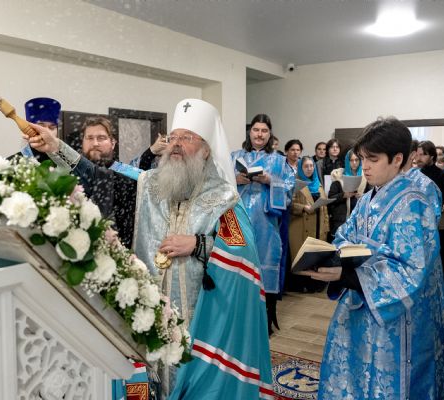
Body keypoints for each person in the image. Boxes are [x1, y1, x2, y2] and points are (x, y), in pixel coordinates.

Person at [301, 117, 444, 399]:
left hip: (395, 317)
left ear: (397, 159)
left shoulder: (414, 202)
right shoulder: (369, 199)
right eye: (362, 158)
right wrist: (332, 257)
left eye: (373, 159)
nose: (365, 166)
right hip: (361, 303)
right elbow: (344, 235)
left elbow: (412, 270)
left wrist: (349, 274)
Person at [134, 99, 272, 399]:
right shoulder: (149, 186)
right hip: (151, 313)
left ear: (206, 150)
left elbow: (242, 252)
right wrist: (56, 150)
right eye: (173, 137)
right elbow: (101, 176)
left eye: (187, 138)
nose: (176, 144)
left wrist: (198, 244)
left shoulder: (222, 198)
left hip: (200, 319)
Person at [22, 99, 138, 248]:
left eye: (101, 138)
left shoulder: (127, 176)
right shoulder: (65, 169)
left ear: (113, 142)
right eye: (89, 138)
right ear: (82, 142)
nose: (95, 143)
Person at [231, 114, 295, 335]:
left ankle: (264, 321)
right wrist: (234, 180)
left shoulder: (279, 161)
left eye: (264, 131)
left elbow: (290, 190)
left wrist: (271, 181)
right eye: (256, 130)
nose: (259, 134)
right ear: (250, 132)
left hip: (265, 223)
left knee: (264, 267)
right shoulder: (234, 157)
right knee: (237, 266)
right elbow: (218, 185)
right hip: (236, 220)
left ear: (270, 134)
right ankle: (238, 320)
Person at [288, 156, 329, 293]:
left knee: (315, 256)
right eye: (306, 166)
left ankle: (313, 284)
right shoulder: (295, 183)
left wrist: (326, 227)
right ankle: (301, 285)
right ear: (300, 168)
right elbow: (288, 204)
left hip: (318, 225)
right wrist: (303, 208)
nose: (309, 169)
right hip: (301, 226)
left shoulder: (318, 184)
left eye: (311, 166)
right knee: (302, 257)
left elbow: (324, 208)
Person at [327, 150, 368, 240]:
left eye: (356, 160)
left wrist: (363, 196)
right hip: (341, 218)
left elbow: (372, 195)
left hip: (358, 218)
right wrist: (343, 195)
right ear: (347, 161)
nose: (354, 163)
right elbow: (330, 198)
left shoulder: (366, 176)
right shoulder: (339, 176)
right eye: (351, 160)